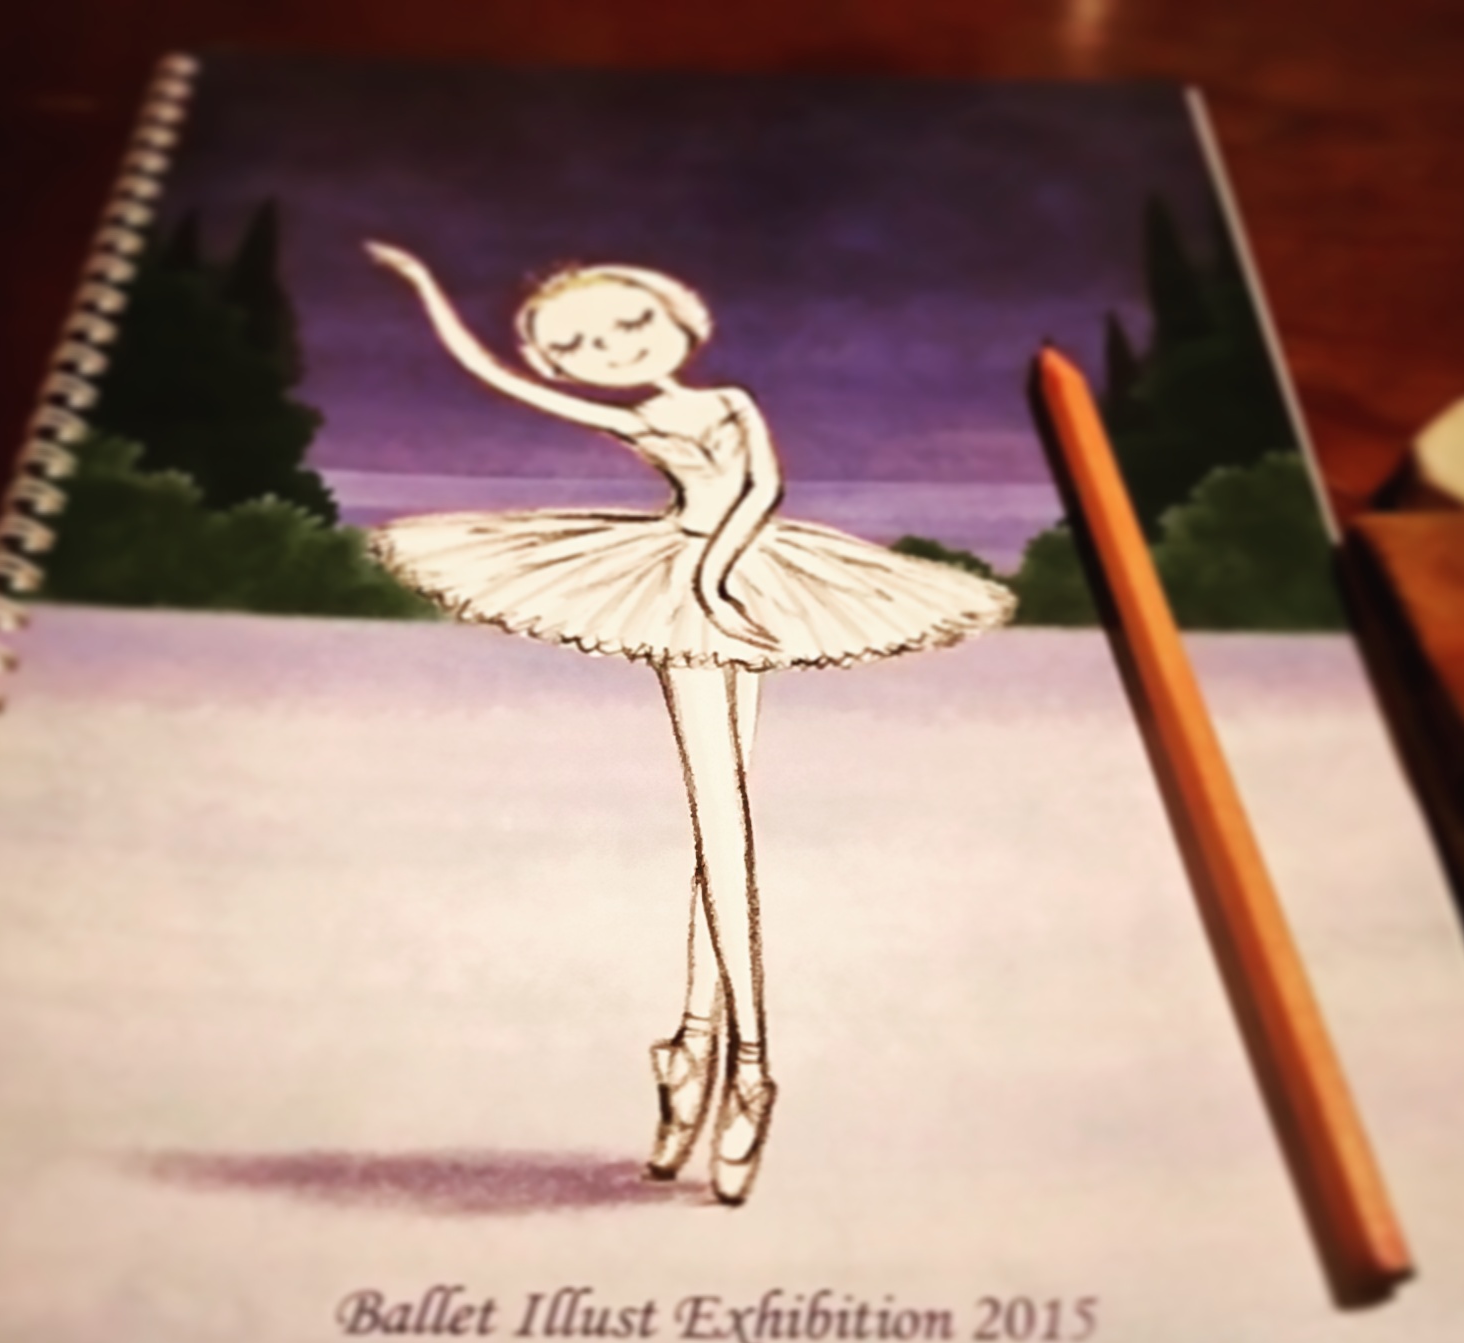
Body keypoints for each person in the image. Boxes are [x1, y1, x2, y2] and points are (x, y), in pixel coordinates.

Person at [364, 242, 1014, 1205]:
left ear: (679, 320)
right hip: (679, 581)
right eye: (578, 345)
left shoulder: (728, 403)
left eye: (631, 324)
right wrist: (425, 289)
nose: (612, 349)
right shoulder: (631, 419)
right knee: (721, 823)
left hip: (735, 574)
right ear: (558, 363)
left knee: (723, 826)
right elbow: (495, 374)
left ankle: (714, 1052)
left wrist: (715, 576)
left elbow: (758, 492)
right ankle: (731, 1061)